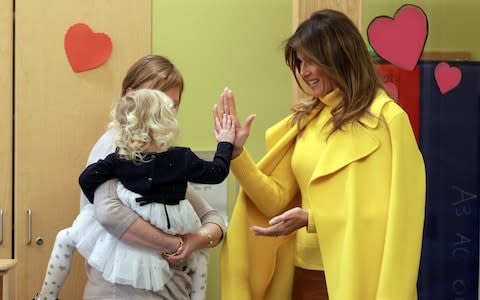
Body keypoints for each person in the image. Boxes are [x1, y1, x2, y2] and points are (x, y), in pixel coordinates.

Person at [216, 9, 426, 300]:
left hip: (357, 279)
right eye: (300, 62)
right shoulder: (306, 122)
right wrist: (237, 154)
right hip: (303, 276)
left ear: (339, 55)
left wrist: (312, 220)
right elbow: (274, 201)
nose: (304, 71)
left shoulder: (387, 121)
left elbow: (392, 217)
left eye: (311, 60)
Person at [35, 55, 227, 300]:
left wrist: (196, 240)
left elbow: (211, 216)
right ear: (130, 96)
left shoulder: (164, 157)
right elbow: (109, 213)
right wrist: (177, 244)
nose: (161, 112)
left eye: (171, 104)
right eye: (154, 98)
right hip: (123, 291)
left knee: (201, 259)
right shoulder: (117, 149)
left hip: (170, 289)